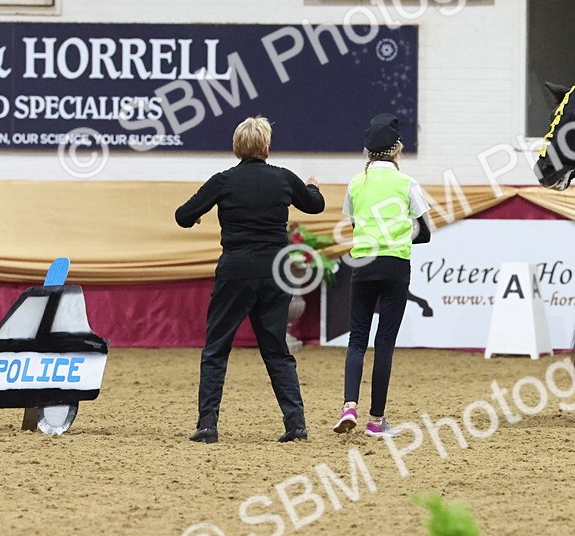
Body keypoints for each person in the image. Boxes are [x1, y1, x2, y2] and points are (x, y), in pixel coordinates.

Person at [175, 116, 325, 444]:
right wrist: (312, 186)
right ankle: (296, 424)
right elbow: (315, 206)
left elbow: (182, 216)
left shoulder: (223, 181)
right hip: (275, 273)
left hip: (236, 270)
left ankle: (207, 424)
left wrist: (199, 213)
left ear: (236, 148)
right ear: (267, 148)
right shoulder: (283, 179)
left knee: (216, 348)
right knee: (276, 349)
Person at [333, 114, 430, 438]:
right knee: (384, 343)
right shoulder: (406, 183)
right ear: (396, 150)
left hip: (363, 265)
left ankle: (349, 405)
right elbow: (426, 232)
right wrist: (401, 237)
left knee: (357, 339)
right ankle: (376, 420)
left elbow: (356, 226)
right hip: (395, 266)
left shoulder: (356, 183)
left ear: (368, 151)